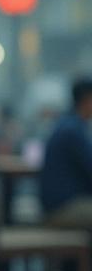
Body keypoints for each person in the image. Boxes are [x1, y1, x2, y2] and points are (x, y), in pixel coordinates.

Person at [40, 77, 92, 231]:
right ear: (88, 100)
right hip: (62, 208)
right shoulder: (73, 131)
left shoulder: (68, 124)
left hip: (58, 204)